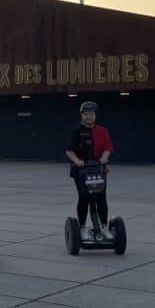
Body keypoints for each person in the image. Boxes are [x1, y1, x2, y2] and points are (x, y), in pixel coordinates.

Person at [65, 101, 114, 240]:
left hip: (98, 169)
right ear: (82, 115)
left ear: (95, 115)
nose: (88, 117)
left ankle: (104, 228)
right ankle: (81, 229)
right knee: (84, 197)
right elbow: (69, 151)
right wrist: (77, 161)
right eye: (86, 114)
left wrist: (104, 157)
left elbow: (107, 148)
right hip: (81, 171)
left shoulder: (102, 131)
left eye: (91, 114)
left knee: (101, 198)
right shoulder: (77, 131)